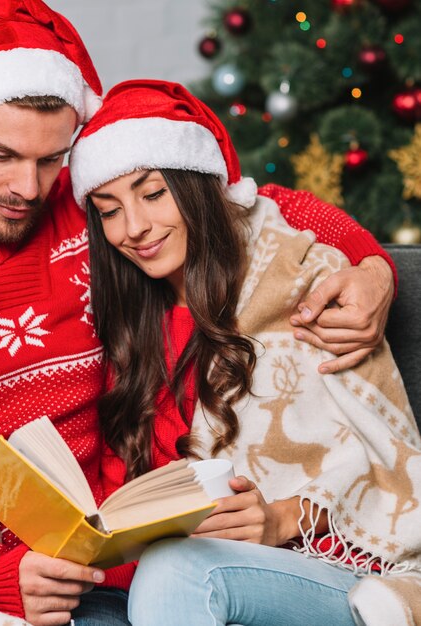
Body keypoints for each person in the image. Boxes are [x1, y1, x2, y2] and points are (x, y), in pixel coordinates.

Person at [0, 0, 398, 624]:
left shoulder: (97, 211)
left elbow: (245, 204)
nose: (27, 187)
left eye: (50, 159)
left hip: (126, 570)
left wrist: (373, 267)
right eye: (0, 155)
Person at [68, 79, 421, 626]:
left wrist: (279, 520)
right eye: (109, 210)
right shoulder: (126, 327)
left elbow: (385, 463)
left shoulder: (304, 286)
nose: (133, 228)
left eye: (154, 193)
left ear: (195, 186)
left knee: (178, 571)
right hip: (164, 582)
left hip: (322, 569)